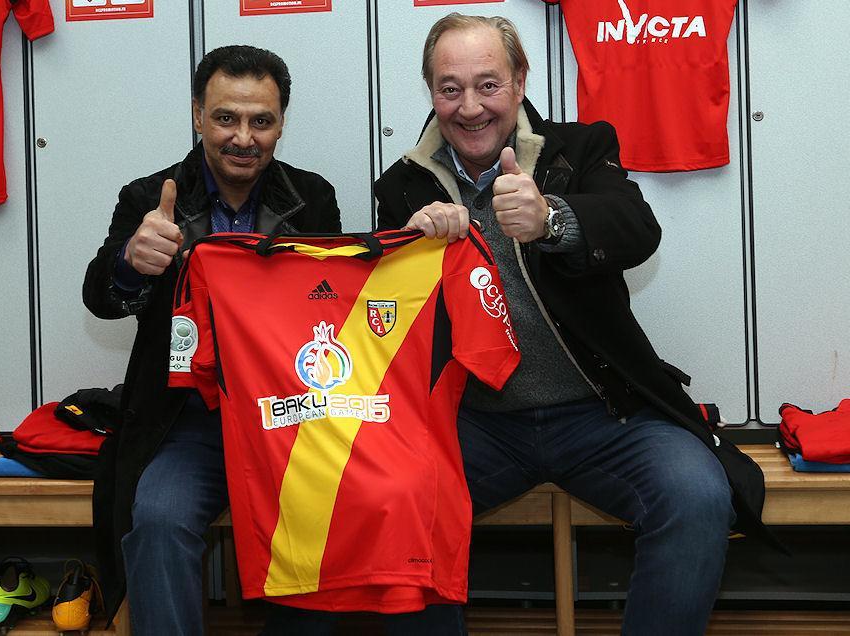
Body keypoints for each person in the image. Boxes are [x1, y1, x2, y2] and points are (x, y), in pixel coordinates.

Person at [374, 14, 771, 635]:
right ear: (430, 91)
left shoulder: (579, 148)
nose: (470, 107)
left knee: (697, 494)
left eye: (488, 84)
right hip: (475, 423)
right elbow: (387, 326)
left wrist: (552, 220)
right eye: (450, 89)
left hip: (601, 414)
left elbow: (636, 229)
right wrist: (408, 256)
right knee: (391, 499)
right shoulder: (401, 186)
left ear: (520, 80)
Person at [83, 45, 341, 635]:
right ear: (198, 115)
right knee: (158, 519)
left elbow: (332, 307)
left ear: (281, 123)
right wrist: (131, 263)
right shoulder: (148, 197)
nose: (243, 138)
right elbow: (100, 297)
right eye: (226, 118)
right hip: (189, 421)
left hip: (289, 419)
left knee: (318, 523)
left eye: (261, 121)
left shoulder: (313, 198)